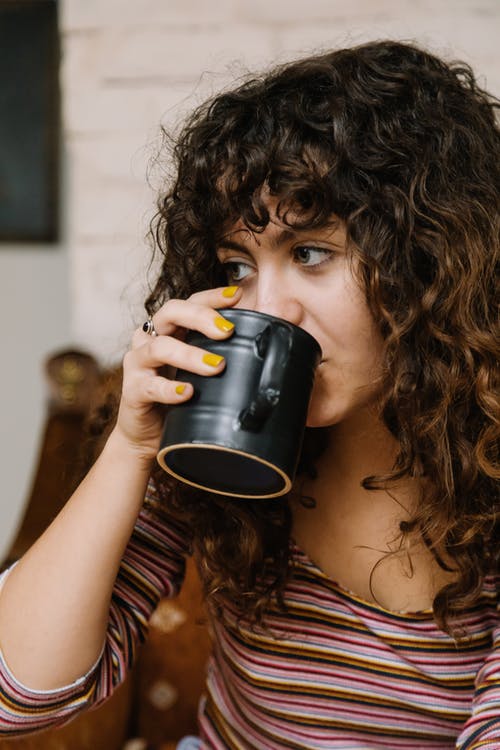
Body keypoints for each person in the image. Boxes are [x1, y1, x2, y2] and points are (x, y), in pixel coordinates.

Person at [0, 39, 498, 749]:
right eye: (238, 264)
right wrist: (130, 448)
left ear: (427, 261)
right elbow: (15, 697)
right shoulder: (221, 451)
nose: (269, 309)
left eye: (310, 253)